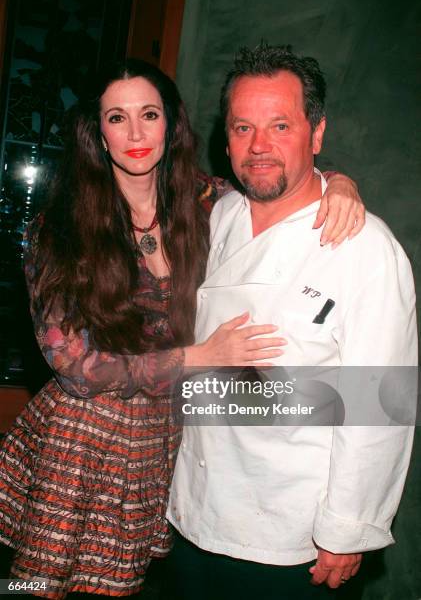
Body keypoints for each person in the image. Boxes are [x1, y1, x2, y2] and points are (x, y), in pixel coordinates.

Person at [0, 59, 363, 599]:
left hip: (163, 441)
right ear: (97, 133)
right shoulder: (59, 227)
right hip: (82, 440)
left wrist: (340, 182)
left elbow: (277, 179)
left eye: (149, 114)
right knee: (39, 586)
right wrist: (204, 355)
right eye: (117, 118)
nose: (137, 133)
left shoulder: (206, 201)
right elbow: (77, 369)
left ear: (171, 124)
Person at [167, 44, 417, 599]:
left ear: (317, 134)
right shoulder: (220, 212)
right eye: (242, 127)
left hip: (290, 538)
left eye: (281, 125)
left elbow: (381, 405)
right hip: (193, 508)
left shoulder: (365, 248)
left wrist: (347, 529)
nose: (259, 147)